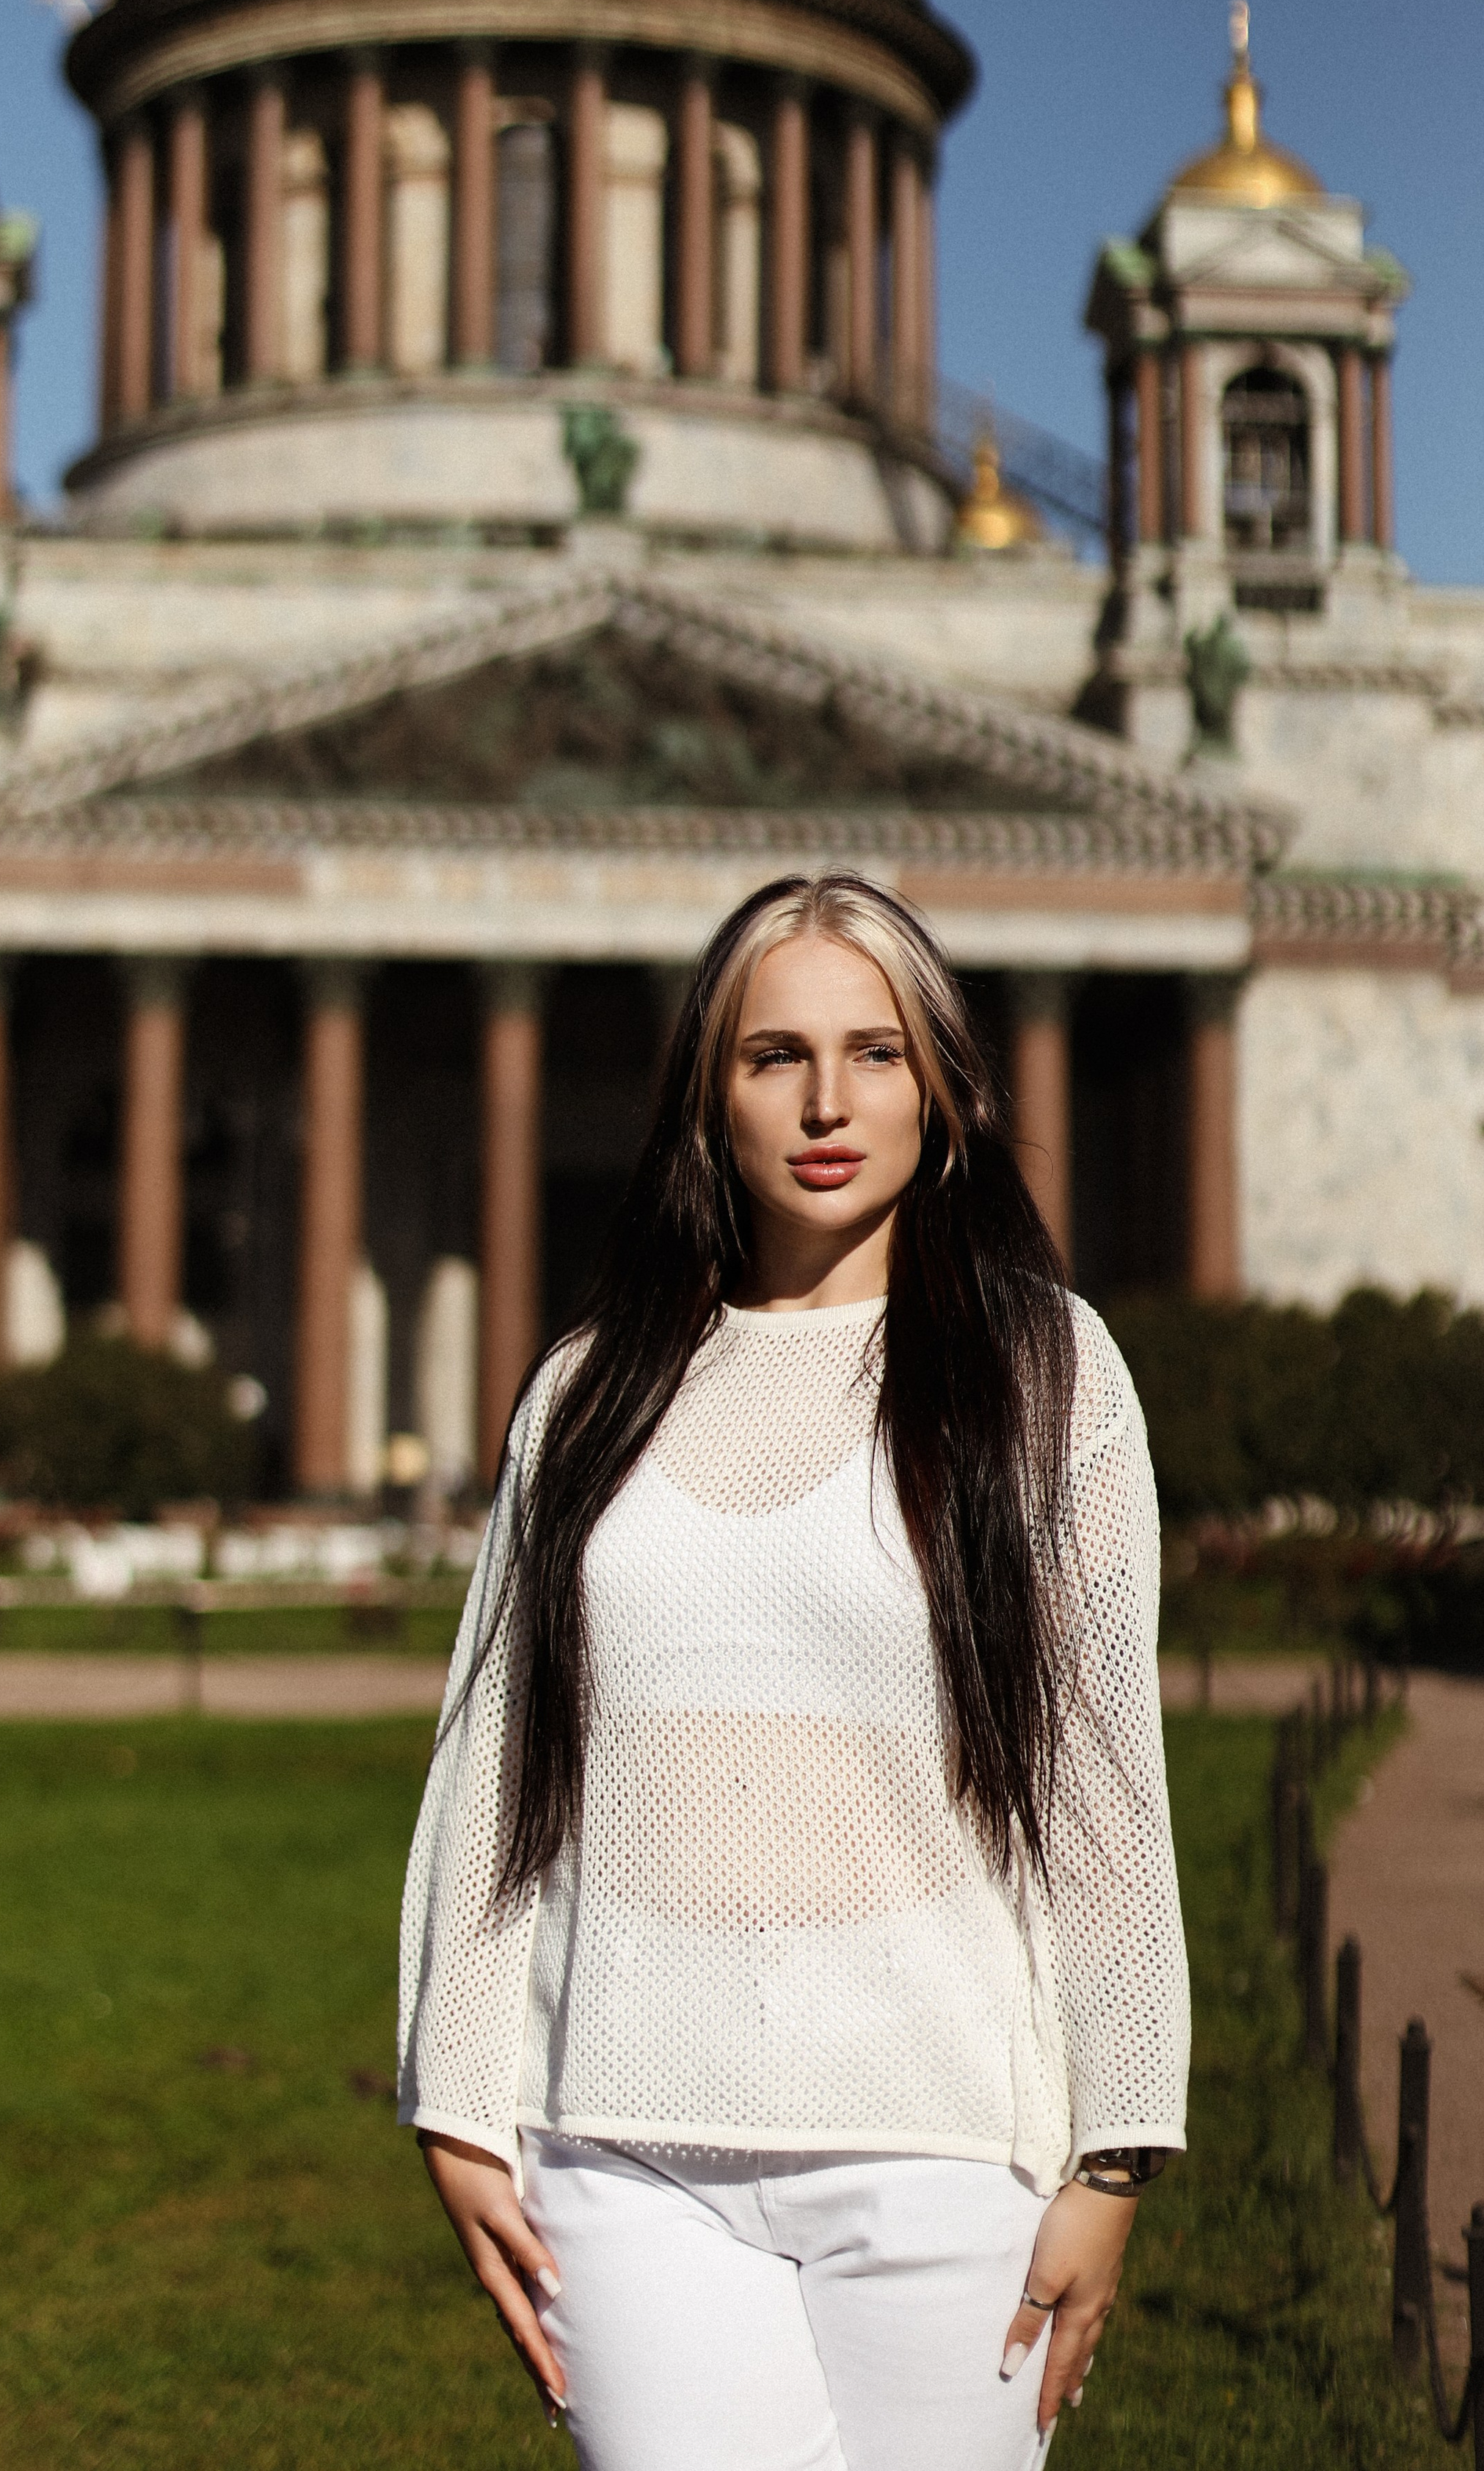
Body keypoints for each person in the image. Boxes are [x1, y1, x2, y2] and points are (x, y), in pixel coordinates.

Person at [399, 871, 1189, 2471]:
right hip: (622, 2151)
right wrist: (457, 2097)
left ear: (943, 1094)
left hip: (941, 2133)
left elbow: (1101, 1787)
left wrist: (1112, 2152)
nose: (827, 1102)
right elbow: (500, 1755)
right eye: (773, 1057)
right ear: (708, 1095)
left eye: (874, 1053)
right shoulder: (586, 1394)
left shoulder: (1046, 1376)